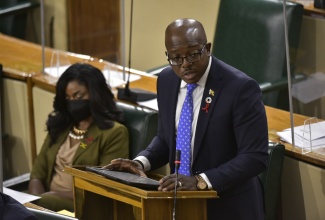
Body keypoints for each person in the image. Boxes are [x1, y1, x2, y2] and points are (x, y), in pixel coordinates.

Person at [104, 18, 269, 219]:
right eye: (176, 58)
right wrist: (141, 162)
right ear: (168, 56)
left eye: (192, 55)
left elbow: (255, 157)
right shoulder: (166, 80)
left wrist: (201, 180)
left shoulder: (239, 88)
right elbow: (166, 139)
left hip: (229, 206)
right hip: (182, 205)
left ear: (207, 48)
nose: (185, 65)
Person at [28, 63, 129, 212]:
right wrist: (35, 201)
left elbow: (104, 187)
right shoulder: (61, 125)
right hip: (46, 204)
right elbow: (37, 173)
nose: (73, 102)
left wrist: (49, 197)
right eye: (68, 98)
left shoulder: (114, 133)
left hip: (83, 207)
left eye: (78, 96)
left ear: (95, 94)